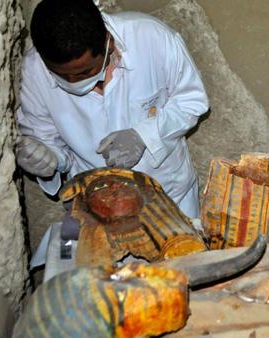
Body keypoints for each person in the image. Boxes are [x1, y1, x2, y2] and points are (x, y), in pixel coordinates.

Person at [16, 0, 208, 221]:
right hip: (95, 208)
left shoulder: (151, 38)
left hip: (170, 194)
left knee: (181, 254)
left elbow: (192, 101)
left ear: (108, 42)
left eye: (84, 72)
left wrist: (143, 135)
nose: (72, 81)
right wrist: (47, 158)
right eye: (60, 74)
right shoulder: (34, 69)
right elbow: (49, 143)